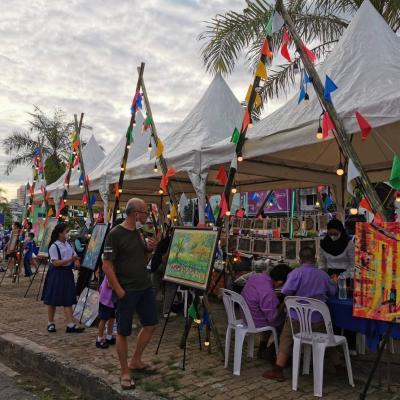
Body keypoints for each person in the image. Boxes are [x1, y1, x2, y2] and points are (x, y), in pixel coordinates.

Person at [102, 198, 159, 391]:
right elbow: (107, 265)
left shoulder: (138, 232)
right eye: (145, 212)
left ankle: (135, 360)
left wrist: (150, 249)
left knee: (151, 324)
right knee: (123, 331)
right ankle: (125, 371)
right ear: (136, 213)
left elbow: (143, 259)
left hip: (144, 287)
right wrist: (119, 290)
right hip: (127, 290)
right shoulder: (115, 234)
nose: (147, 216)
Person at [263, 247, 340, 382]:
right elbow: (332, 292)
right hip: (317, 321)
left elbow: (286, 291)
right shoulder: (323, 275)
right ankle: (338, 366)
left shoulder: (295, 273)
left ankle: (278, 369)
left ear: (299, 260)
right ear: (315, 259)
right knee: (328, 336)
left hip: (296, 321)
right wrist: (334, 283)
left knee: (286, 337)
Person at [319, 218, 357, 353]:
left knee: (348, 311)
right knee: (332, 310)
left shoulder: (349, 243)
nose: (333, 236)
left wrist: (341, 277)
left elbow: (353, 265)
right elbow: (322, 264)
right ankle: (334, 343)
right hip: (329, 278)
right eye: (330, 234)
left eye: (335, 234)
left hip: (346, 278)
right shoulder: (323, 244)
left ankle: (350, 344)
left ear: (341, 231)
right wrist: (325, 277)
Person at [41, 223, 84, 333]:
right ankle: (50, 323)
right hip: (56, 273)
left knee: (68, 298)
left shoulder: (69, 244)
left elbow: (74, 255)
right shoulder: (54, 246)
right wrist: (71, 260)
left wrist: (76, 261)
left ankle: (70, 324)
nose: (68, 233)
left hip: (67, 273)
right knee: (53, 299)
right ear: (60, 233)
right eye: (66, 231)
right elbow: (55, 263)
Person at [241, 263, 292, 329]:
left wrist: (274, 294)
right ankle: (275, 335)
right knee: (286, 316)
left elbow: (260, 293)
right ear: (280, 282)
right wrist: (284, 302)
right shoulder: (269, 293)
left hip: (246, 315)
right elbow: (272, 317)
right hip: (255, 321)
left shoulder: (257, 276)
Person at [96, 275, 116, 349]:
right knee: (103, 319)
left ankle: (109, 337)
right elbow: (110, 284)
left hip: (112, 299)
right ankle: (99, 339)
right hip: (106, 299)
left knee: (112, 317)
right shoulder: (111, 270)